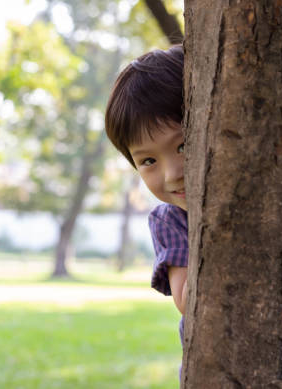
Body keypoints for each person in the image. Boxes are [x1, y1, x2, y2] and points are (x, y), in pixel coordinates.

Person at [104, 44, 189, 348]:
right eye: (148, 161)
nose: (172, 174)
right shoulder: (171, 222)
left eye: (182, 146)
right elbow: (185, 299)